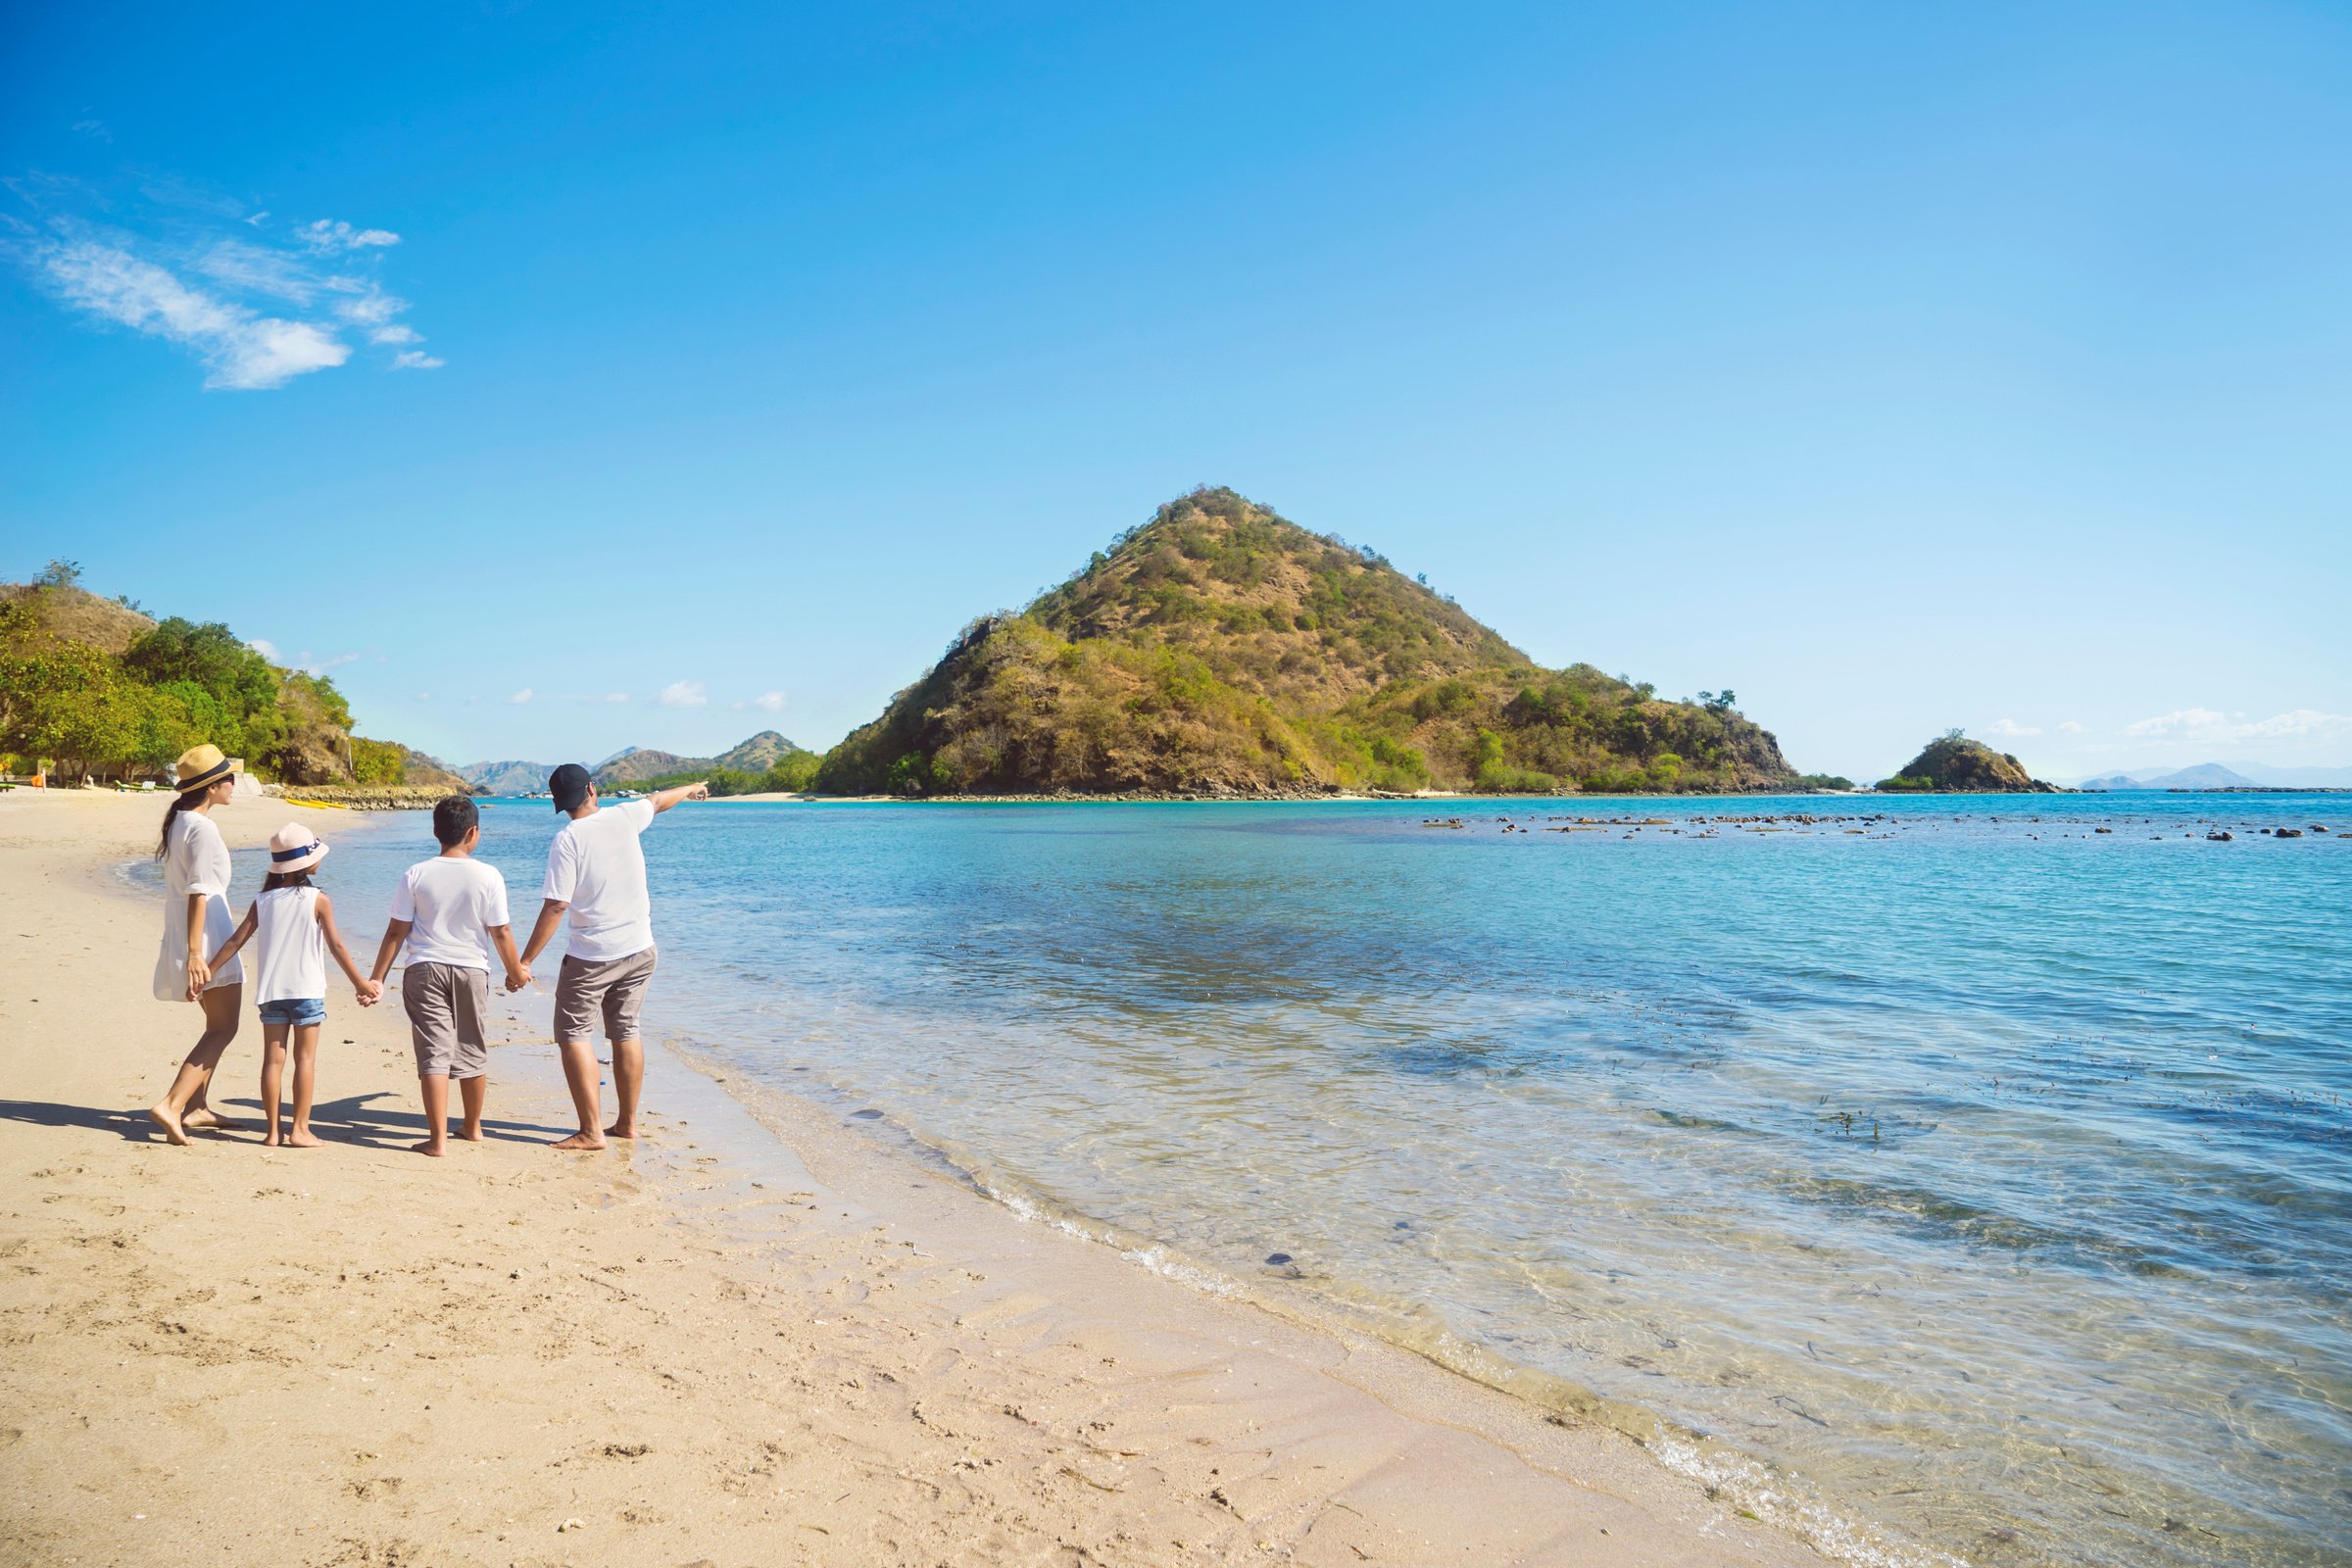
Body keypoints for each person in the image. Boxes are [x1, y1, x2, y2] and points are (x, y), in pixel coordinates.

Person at [516, 765, 708, 1151]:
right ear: (591, 788)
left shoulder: (567, 839)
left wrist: (524, 961)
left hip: (592, 957)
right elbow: (657, 801)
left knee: (573, 1034)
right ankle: (627, 1124)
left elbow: (556, 906)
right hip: (640, 949)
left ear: (561, 804)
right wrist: (691, 787)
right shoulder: (624, 816)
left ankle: (591, 1132)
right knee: (626, 1030)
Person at [366, 796, 528, 1157]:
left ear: (436, 831)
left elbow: (396, 932)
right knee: (472, 1045)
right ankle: (472, 1126)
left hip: (424, 968)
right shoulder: (489, 875)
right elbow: (500, 932)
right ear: (473, 833)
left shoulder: (416, 873)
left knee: (434, 1053)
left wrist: (376, 979)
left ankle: (437, 1140)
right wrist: (516, 972)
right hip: (471, 969)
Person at [198, 824, 379, 1147]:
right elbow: (337, 947)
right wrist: (360, 983)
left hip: (271, 992)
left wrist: (207, 971)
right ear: (307, 863)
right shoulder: (318, 899)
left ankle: (272, 1133)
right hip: (306, 992)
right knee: (305, 1060)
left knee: (272, 1060)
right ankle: (299, 1130)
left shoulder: (263, 900)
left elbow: (235, 941)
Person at [147, 745, 245, 1145]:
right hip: (207, 935)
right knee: (224, 1027)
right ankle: (172, 1103)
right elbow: (199, 892)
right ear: (211, 788)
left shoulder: (181, 821)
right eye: (229, 779)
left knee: (214, 1024)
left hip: (189, 930)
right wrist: (195, 954)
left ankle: (196, 1107)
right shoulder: (202, 828)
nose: (233, 784)